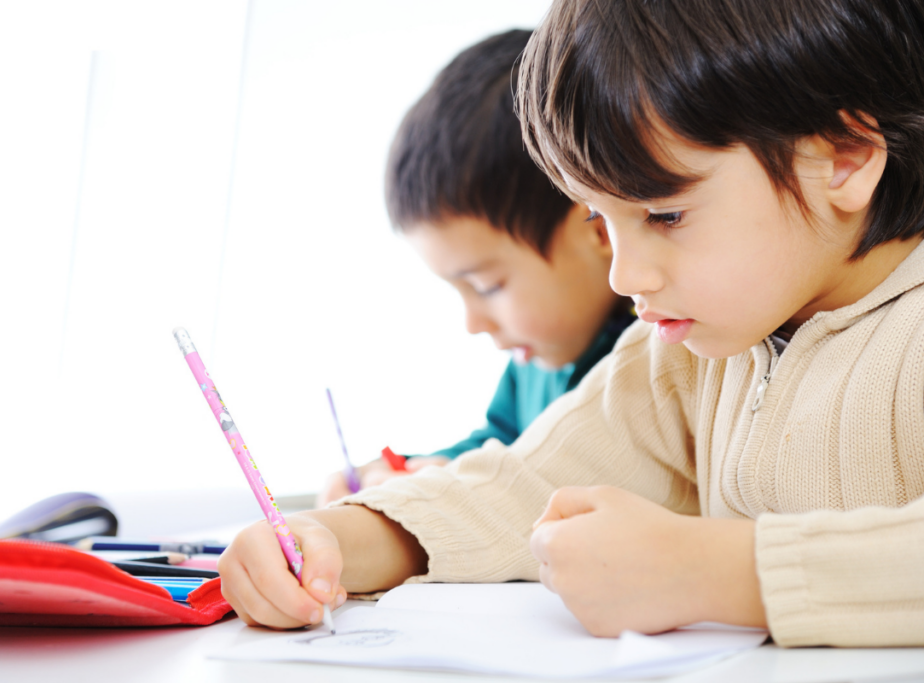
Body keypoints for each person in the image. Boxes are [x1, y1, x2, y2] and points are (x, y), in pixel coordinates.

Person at [218, 0, 924, 648]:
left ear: (844, 159)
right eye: (600, 219)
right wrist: (336, 535)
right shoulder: (682, 353)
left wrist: (714, 572)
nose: (624, 276)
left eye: (664, 214)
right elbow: (521, 484)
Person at [318, 29, 631, 506]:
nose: (473, 324)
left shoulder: (650, 359)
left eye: (487, 285)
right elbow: (494, 444)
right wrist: (420, 470)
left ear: (598, 228)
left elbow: (553, 485)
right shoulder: (535, 359)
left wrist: (450, 487)